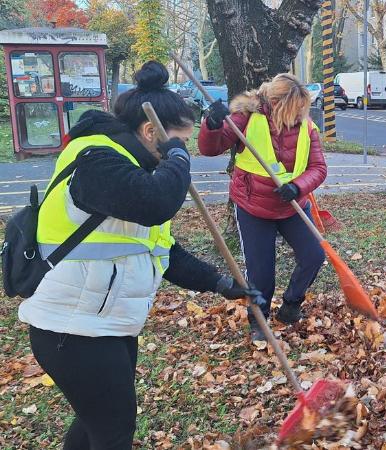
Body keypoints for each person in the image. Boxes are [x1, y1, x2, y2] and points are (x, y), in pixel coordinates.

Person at [17, 61, 258, 450]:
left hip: (103, 326)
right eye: (177, 140)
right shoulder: (96, 158)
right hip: (71, 331)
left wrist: (223, 284)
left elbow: (164, 252)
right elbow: (156, 203)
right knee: (113, 432)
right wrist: (179, 158)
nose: (181, 153)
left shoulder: (133, 170)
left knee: (95, 424)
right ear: (152, 132)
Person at [198, 73, 327, 339]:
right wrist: (211, 125)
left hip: (292, 204)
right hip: (252, 206)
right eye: (295, 108)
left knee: (314, 255)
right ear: (277, 103)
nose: (300, 114)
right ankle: (259, 319)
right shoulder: (246, 118)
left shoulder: (307, 126)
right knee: (261, 270)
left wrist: (298, 187)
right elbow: (211, 149)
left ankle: (291, 305)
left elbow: (318, 168)